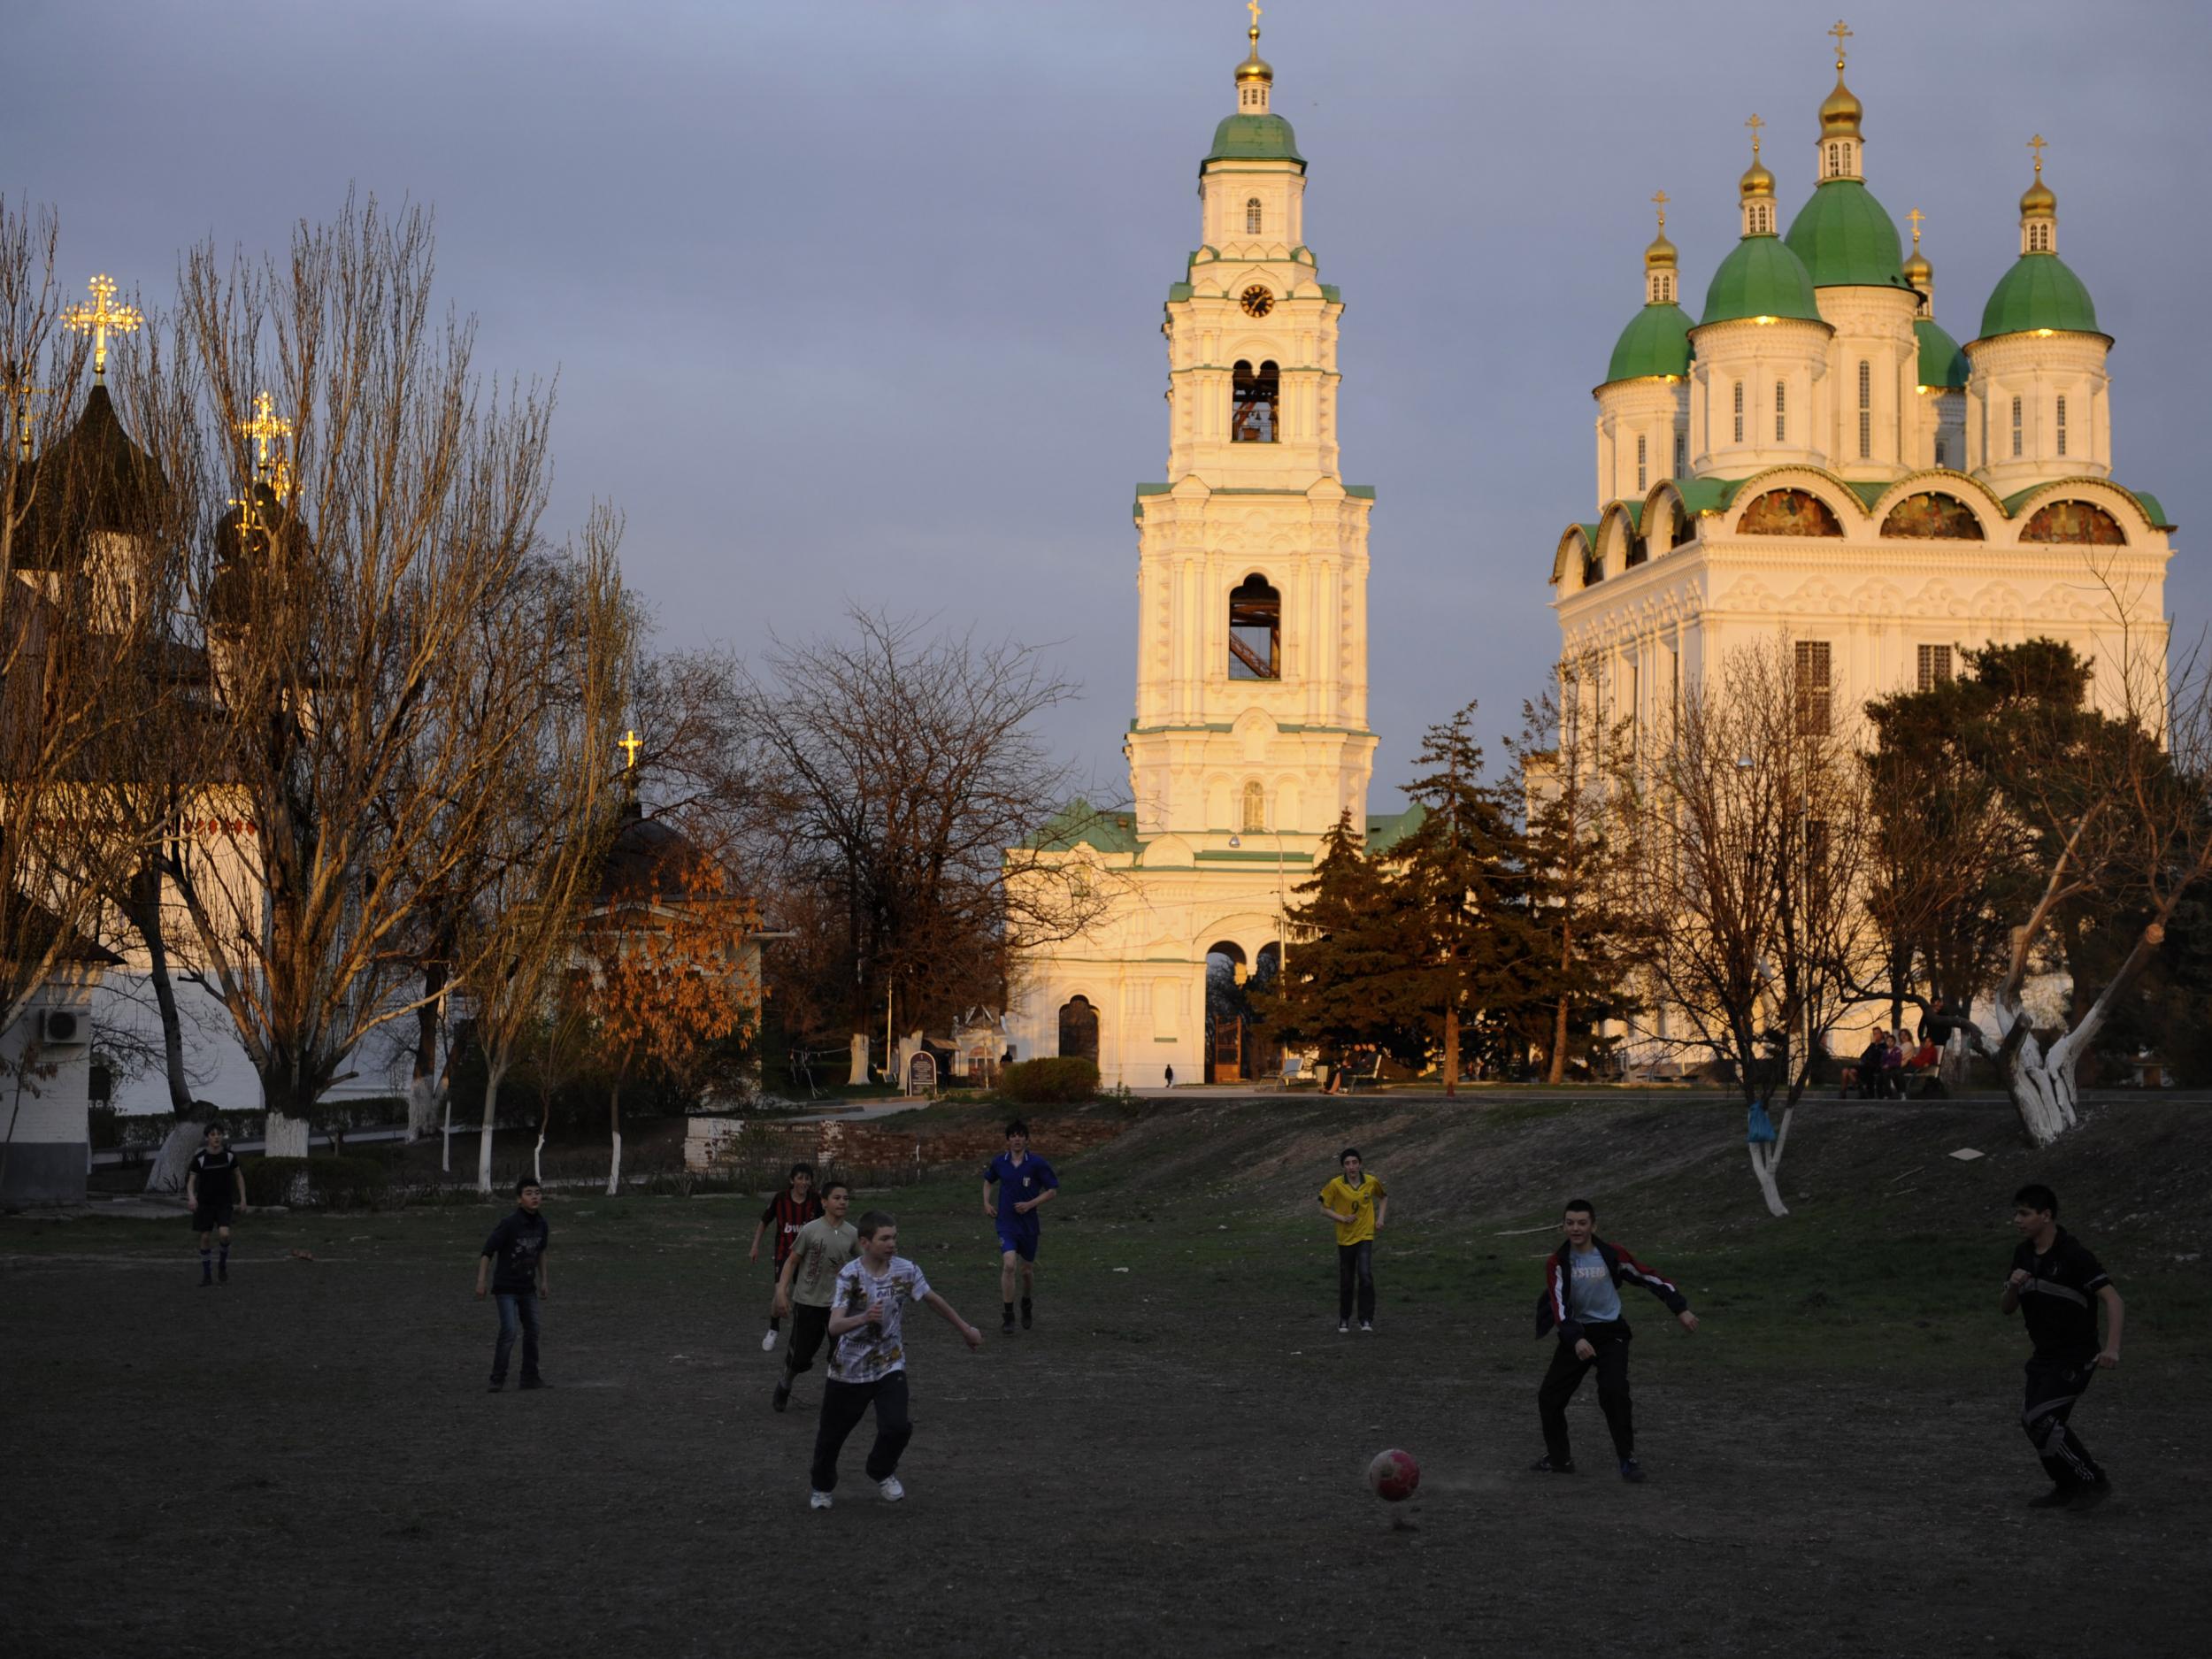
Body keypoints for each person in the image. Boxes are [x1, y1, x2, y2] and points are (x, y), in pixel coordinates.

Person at [808, 1210, 982, 1509]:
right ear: (865, 1242)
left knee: (897, 1427)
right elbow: (834, 1326)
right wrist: (863, 1317)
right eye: (884, 1238)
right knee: (831, 1438)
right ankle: (821, 1487)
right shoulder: (850, 1275)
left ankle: (881, 1469)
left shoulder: (906, 1270)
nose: (892, 1244)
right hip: (848, 1370)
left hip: (889, 1362)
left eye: (894, 1237)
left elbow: (932, 1299)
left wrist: (965, 1328)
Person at [1530, 1198, 1697, 1482]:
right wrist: (1575, 1339)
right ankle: (1559, 1459)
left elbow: (1649, 1277)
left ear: (1593, 1226)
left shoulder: (1611, 1255)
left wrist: (1680, 1308)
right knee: (1549, 1398)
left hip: (1611, 1334)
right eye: (1570, 1223)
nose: (1576, 1228)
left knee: (1613, 1392)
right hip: (1578, 1335)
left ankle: (1627, 1460)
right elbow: (1558, 1306)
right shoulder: (1557, 1262)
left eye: (1582, 1223)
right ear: (1563, 1226)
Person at [2002, 1183, 2123, 1509]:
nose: (2017, 1220)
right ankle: (2067, 1487)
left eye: (2024, 1213)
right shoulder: (2023, 1254)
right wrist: (2013, 1287)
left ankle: (2092, 1480)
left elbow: (2113, 1299)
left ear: (2046, 1216)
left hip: (2076, 1355)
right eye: (2016, 1213)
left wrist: (2111, 1348)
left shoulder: (2073, 1255)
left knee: (2039, 1418)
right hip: (2044, 1356)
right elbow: (2007, 1308)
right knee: (2036, 1424)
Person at [772, 1176, 860, 1413]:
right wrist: (781, 1290)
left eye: (846, 1198)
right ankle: (785, 1383)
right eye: (837, 1198)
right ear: (824, 1202)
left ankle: (837, 1397)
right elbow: (791, 1262)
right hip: (808, 1301)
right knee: (800, 1356)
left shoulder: (852, 1233)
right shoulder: (811, 1230)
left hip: (838, 1305)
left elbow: (865, 1262)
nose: (843, 1202)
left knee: (840, 1354)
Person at [476, 1177, 552, 1392]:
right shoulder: (509, 1224)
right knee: (509, 1331)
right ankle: (497, 1378)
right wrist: (481, 1281)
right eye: (529, 1193)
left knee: (533, 1330)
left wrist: (544, 1279)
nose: (535, 1197)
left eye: (537, 1192)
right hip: (506, 1288)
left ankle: (529, 1376)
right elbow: (487, 1251)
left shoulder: (542, 1224)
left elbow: (541, 1252)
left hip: (528, 1288)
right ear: (519, 1199)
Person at [982, 1120, 1058, 1333]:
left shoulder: (1037, 1163)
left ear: (1027, 1139)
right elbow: (988, 1181)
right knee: (1008, 1265)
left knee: (1026, 1271)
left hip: (1029, 1225)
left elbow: (1052, 1191)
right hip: (1006, 1223)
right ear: (1007, 1140)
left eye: (1020, 1135)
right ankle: (1008, 1316)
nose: (1016, 1139)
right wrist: (986, 1203)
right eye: (1012, 1136)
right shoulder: (1000, 1163)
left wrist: (1031, 1204)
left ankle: (1026, 1302)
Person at [750, 1163, 823, 1353]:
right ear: (792, 1180)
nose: (804, 1182)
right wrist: (755, 1246)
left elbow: (827, 1224)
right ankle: (773, 1329)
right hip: (784, 1253)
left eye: (807, 1179)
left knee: (804, 1297)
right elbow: (764, 1221)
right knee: (781, 1295)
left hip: (807, 1256)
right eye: (800, 1178)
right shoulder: (780, 1199)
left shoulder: (816, 1200)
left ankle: (800, 1334)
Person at [1317, 1148, 1387, 1333]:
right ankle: (1344, 1318)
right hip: (1345, 1238)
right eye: (1347, 1163)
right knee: (1347, 1280)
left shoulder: (1371, 1181)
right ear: (1343, 1167)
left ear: (1360, 1164)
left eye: (1354, 1162)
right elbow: (1323, 1209)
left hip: (1365, 1235)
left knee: (1365, 1275)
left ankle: (1366, 1319)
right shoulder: (1335, 1184)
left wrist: (1380, 1219)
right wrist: (1341, 1218)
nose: (1351, 1166)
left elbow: (1383, 1197)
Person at [186, 1124, 247, 1286]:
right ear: (207, 1138)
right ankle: (207, 1275)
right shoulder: (200, 1159)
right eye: (213, 1134)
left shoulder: (229, 1156)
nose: (216, 1137)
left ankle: (222, 1265)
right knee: (205, 1237)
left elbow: (239, 1177)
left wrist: (243, 1198)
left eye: (219, 1134)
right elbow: (191, 1182)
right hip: (205, 1204)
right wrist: (192, 1197)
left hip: (224, 1203)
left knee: (225, 1235)